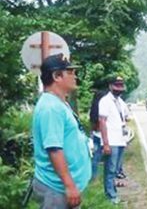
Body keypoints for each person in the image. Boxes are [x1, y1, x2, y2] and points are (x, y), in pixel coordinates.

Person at [31, 53, 91, 208]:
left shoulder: (59, 103)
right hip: (56, 188)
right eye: (70, 72)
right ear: (57, 76)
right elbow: (54, 149)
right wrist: (69, 185)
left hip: (61, 186)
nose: (74, 76)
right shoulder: (51, 108)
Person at [96, 76, 130, 204]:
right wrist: (105, 144)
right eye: (117, 85)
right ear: (110, 86)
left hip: (120, 140)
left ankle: (113, 193)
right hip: (111, 141)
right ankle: (110, 196)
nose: (120, 88)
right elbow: (102, 122)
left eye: (121, 85)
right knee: (110, 170)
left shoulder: (120, 101)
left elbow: (126, 117)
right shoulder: (105, 101)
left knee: (115, 170)